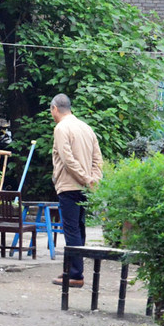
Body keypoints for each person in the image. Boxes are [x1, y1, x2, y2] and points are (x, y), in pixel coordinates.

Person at [50, 93, 103, 289]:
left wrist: (84, 178)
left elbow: (67, 159)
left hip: (70, 185)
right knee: (79, 229)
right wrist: (93, 180)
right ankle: (73, 270)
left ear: (55, 108)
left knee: (71, 229)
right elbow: (98, 159)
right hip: (85, 188)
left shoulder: (61, 128)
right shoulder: (86, 128)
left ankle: (74, 273)